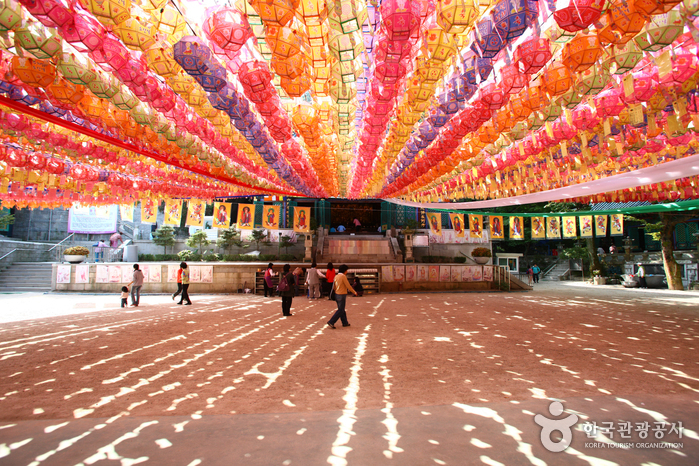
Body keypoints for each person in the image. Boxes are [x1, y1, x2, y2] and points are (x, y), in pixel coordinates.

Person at [327, 265, 358, 329]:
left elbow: (334, 286)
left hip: (337, 294)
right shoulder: (343, 276)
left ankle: (345, 322)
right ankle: (331, 321)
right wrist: (354, 292)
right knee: (341, 310)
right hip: (342, 294)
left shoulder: (336, 276)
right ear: (344, 270)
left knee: (341, 309)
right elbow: (348, 285)